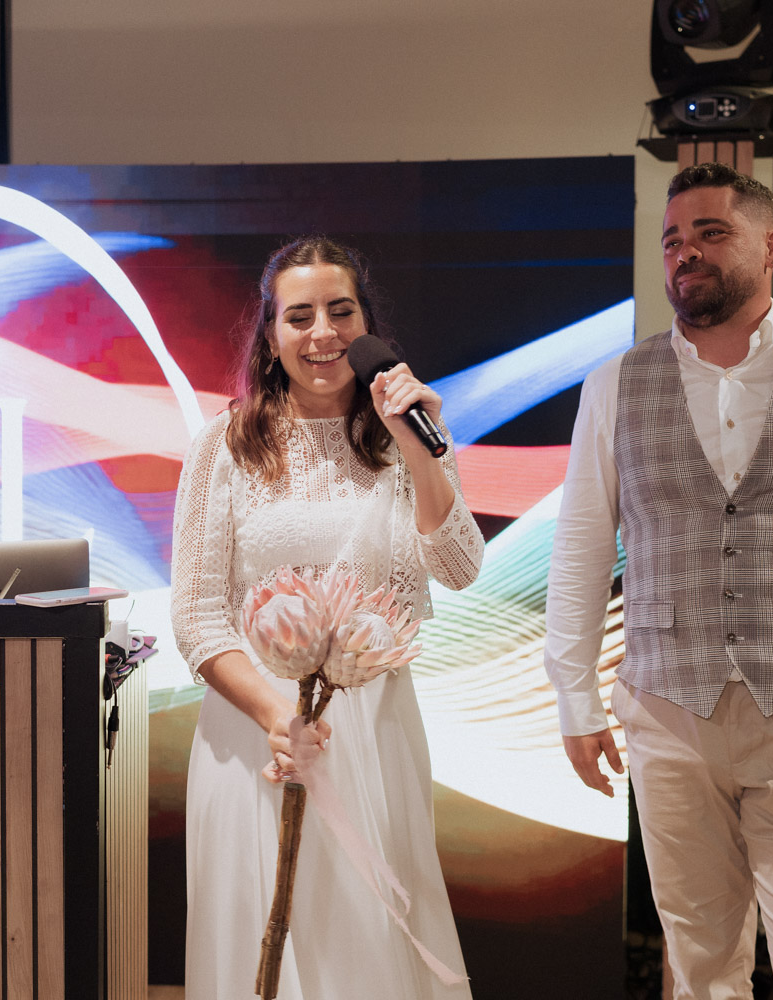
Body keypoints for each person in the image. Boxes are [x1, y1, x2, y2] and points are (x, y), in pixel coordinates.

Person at [544, 163, 773, 999]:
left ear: (771, 246)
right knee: (701, 967)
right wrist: (574, 695)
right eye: (673, 239)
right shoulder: (614, 384)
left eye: (712, 233)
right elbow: (583, 543)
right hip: (667, 712)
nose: (687, 252)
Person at [170, 237, 483, 1000]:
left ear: (368, 325)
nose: (323, 334)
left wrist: (419, 450)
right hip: (257, 733)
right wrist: (280, 720)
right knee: (264, 935)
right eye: (300, 316)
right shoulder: (225, 446)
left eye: (341, 312)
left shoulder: (410, 436)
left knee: (368, 943)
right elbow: (198, 616)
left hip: (372, 728)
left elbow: (459, 566)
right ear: (270, 334)